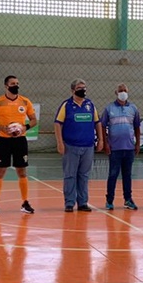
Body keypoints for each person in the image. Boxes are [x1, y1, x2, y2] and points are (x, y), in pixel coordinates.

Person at [0, 75, 37, 215]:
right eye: (13, 83)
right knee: (0, 171)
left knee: (22, 171)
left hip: (20, 141)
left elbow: (33, 120)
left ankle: (25, 202)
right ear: (6, 86)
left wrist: (25, 127)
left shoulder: (25, 102)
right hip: (4, 141)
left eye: (17, 83)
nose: (16, 85)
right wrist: (2, 128)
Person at [54, 79, 103, 212]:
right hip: (71, 146)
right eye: (80, 88)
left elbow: (97, 122)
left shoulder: (90, 104)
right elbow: (58, 123)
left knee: (84, 175)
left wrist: (101, 140)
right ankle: (69, 203)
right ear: (73, 90)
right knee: (70, 174)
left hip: (88, 146)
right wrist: (60, 142)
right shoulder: (66, 105)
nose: (83, 90)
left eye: (84, 87)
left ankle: (82, 202)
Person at [99, 84, 141, 211]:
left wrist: (137, 143)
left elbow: (137, 127)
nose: (123, 92)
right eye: (120, 91)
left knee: (127, 175)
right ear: (116, 92)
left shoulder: (133, 108)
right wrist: (106, 143)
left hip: (129, 148)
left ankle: (128, 199)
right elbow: (102, 126)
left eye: (125, 91)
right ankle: (109, 200)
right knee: (113, 174)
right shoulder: (109, 108)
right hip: (115, 148)